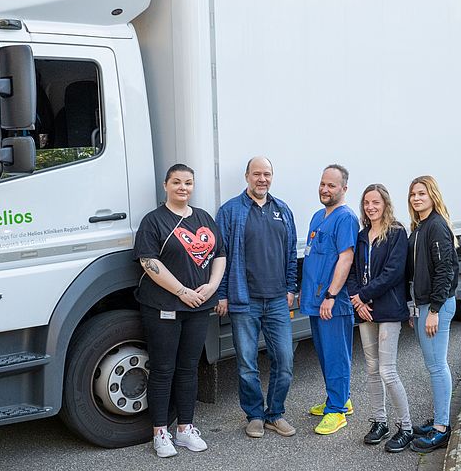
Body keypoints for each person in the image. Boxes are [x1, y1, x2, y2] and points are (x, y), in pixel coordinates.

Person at [134, 164, 227, 458]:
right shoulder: (154, 221)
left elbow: (220, 254)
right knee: (163, 369)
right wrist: (181, 291)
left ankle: (185, 429)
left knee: (188, 369)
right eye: (176, 182)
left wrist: (211, 286)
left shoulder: (203, 218)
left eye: (188, 182)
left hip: (198, 307)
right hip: (164, 306)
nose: (182, 188)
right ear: (165, 185)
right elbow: (148, 262)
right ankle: (160, 432)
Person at [215, 156, 298, 439]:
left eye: (267, 174)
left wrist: (290, 288)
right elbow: (221, 256)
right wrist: (223, 294)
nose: (262, 179)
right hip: (243, 300)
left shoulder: (283, 210)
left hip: (277, 300)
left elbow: (290, 255)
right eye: (257, 174)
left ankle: (275, 413)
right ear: (246, 176)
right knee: (247, 364)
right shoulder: (230, 211)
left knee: (284, 361)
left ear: (272, 177)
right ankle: (254, 415)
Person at [346, 183, 414, 452]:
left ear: (385, 204)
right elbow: (352, 271)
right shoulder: (363, 235)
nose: (370, 207)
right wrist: (356, 299)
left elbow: (394, 272)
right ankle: (380, 421)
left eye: (376, 202)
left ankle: (406, 427)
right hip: (365, 311)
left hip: (388, 310)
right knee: (372, 370)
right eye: (366, 203)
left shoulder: (396, 233)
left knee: (388, 370)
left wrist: (363, 296)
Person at [301, 164, 358, 435]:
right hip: (315, 299)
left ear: (343, 189)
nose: (325, 189)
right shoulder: (317, 216)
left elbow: (346, 258)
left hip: (332, 302)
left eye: (332, 185)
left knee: (337, 355)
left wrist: (331, 296)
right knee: (324, 354)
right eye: (323, 183)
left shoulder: (345, 218)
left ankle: (337, 411)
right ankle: (339, 398)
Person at [406, 175, 458, 453]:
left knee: (438, 366)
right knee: (433, 365)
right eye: (413, 194)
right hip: (425, 304)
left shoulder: (436, 226)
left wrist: (435, 310)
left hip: (436, 306)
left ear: (432, 196)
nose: (416, 198)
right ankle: (439, 419)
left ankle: (441, 430)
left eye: (421, 194)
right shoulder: (421, 226)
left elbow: (445, 270)